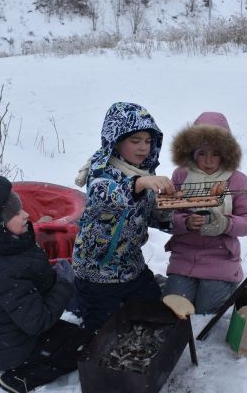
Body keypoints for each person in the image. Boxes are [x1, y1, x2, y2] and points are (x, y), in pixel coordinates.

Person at [0, 173, 92, 393]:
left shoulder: (7, 244)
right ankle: (20, 379)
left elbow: (29, 280)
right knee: (83, 348)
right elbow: (38, 321)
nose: (26, 214)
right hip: (13, 353)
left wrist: (53, 271)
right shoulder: (2, 270)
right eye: (16, 212)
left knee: (81, 337)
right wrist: (65, 283)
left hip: (19, 335)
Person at [72, 102, 174, 331]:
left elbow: (147, 214)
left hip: (131, 268)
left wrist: (177, 219)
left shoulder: (143, 171)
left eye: (148, 141)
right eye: (135, 141)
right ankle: (77, 296)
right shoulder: (101, 170)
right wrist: (140, 183)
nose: (143, 148)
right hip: (97, 274)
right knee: (105, 332)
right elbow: (107, 195)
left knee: (154, 316)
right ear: (116, 141)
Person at [162, 112, 247, 314]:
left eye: (215, 154)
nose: (208, 161)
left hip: (221, 258)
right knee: (174, 311)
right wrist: (185, 222)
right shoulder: (181, 175)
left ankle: (226, 288)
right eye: (202, 153)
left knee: (207, 313)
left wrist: (225, 224)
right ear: (192, 152)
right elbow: (168, 214)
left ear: (225, 153)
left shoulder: (237, 180)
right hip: (184, 257)